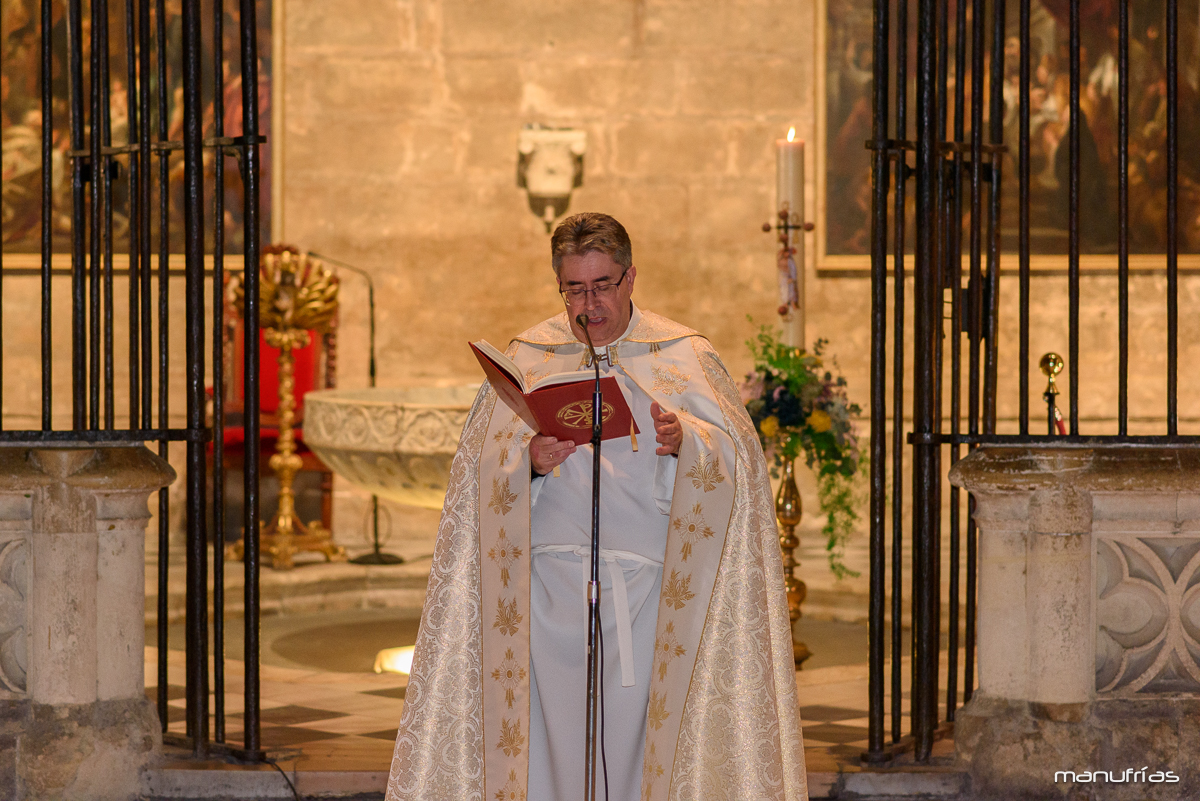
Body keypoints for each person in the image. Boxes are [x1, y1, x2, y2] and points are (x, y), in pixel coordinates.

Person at [387, 213, 808, 801]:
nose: (589, 305)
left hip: (647, 602)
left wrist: (686, 439)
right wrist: (527, 460)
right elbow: (474, 477)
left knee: (637, 756)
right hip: (544, 600)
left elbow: (739, 460)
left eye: (602, 285)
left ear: (631, 276)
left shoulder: (684, 355)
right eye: (574, 289)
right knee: (548, 753)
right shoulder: (530, 355)